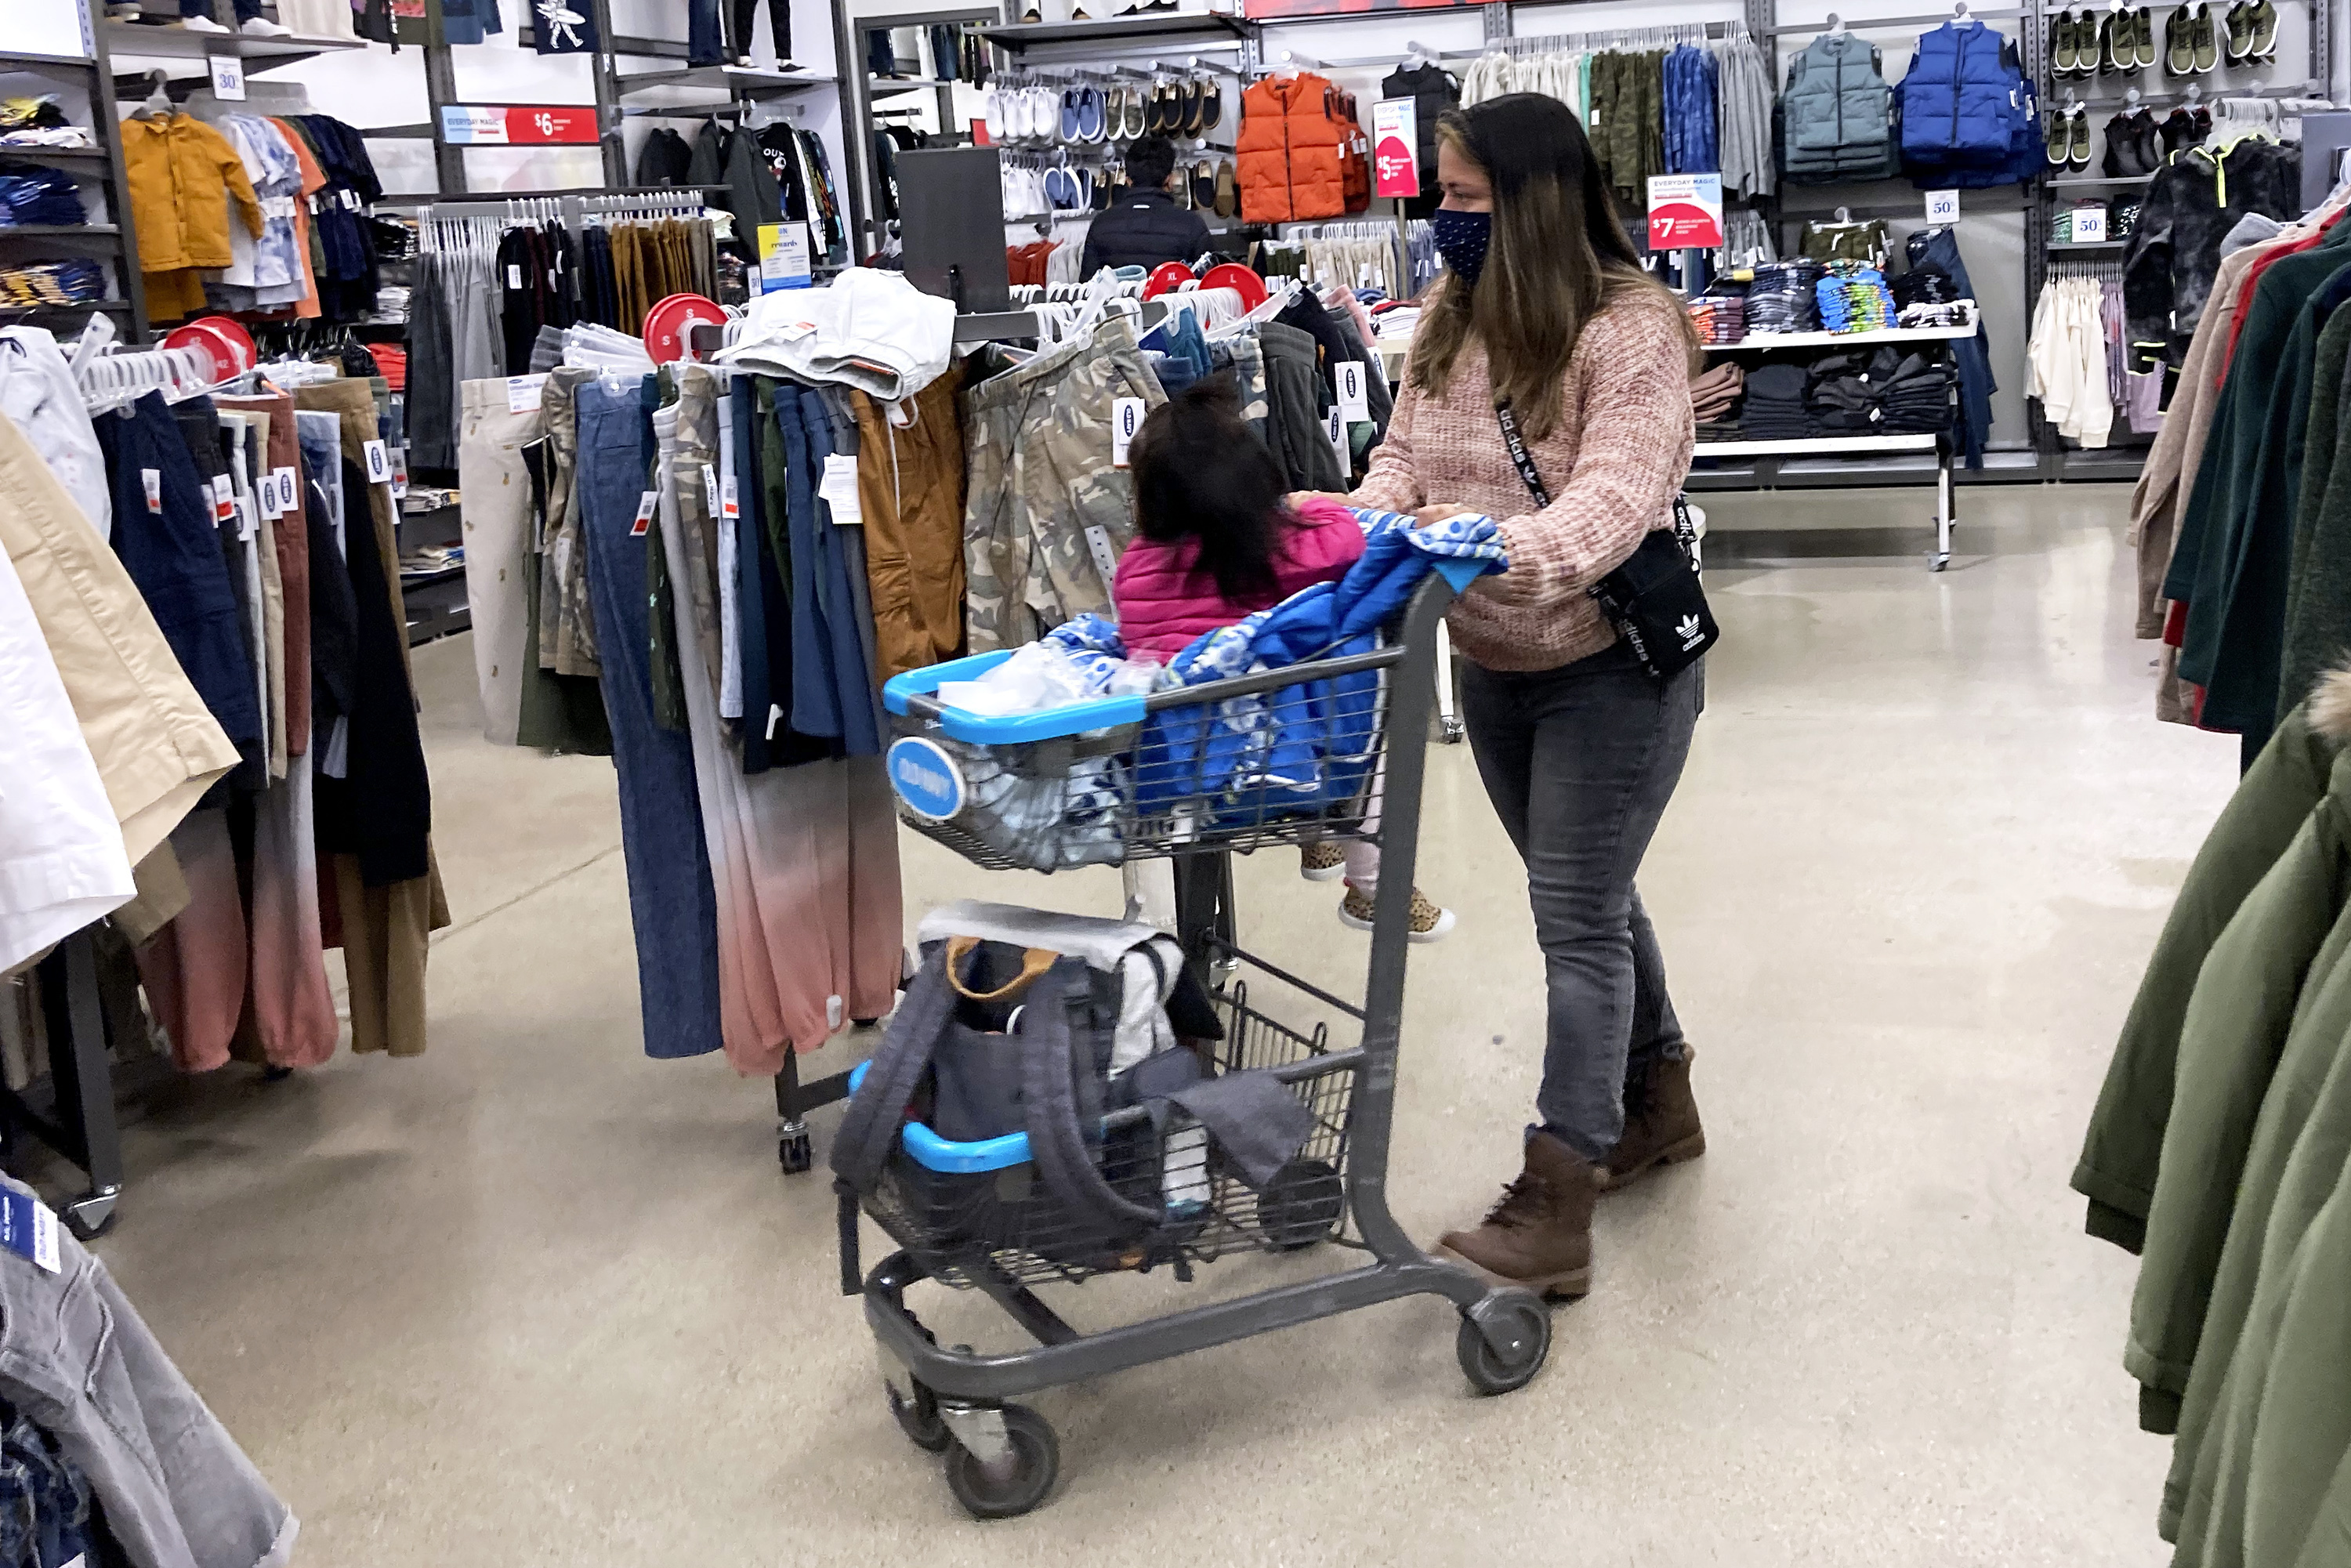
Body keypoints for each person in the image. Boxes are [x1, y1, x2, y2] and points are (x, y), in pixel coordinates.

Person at [1342, 92, 1704, 1298]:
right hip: (1492, 661)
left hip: (1612, 665)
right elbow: (1402, 450)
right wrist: (1353, 523)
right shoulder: (1451, 308)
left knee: (1575, 917)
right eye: (1440, 198)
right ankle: (1662, 1098)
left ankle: (1561, 1193)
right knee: (1591, 892)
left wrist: (1493, 546)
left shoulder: (1633, 328)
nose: (1440, 222)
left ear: (1536, 203)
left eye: (1462, 202)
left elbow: (1613, 502)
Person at [1117, 379, 1454, 940]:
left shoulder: (1133, 568)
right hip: (1271, 753)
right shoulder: (1269, 554)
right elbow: (1346, 541)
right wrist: (1304, 506)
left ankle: (1313, 838)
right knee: (1346, 697)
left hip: (1181, 762)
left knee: (1275, 678)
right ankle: (1371, 884)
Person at [1079, 135, 1211, 277]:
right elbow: (1210, 286)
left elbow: (1087, 286)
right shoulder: (1192, 224)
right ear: (1169, 179)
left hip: (1118, 299)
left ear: (1128, 181)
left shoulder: (1101, 224)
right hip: (1171, 298)